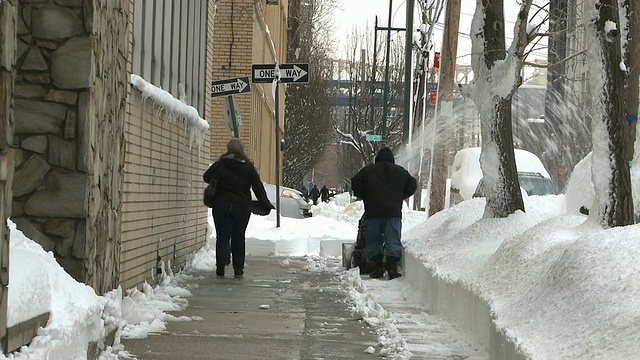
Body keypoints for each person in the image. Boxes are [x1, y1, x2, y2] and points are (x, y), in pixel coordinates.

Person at [203, 138, 274, 278]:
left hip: (221, 206)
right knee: (238, 237)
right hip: (241, 207)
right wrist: (265, 204)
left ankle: (220, 268)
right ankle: (238, 269)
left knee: (222, 236)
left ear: (228, 149)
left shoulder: (220, 165)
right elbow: (258, 187)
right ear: (242, 150)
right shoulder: (248, 167)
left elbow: (206, 177)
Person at [350, 147, 417, 279]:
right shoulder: (400, 171)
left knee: (373, 240)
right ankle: (391, 268)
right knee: (392, 239)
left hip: (373, 212)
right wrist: (400, 195)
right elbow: (412, 184)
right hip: (393, 213)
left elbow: (355, 182)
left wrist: (365, 195)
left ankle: (377, 267)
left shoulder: (368, 170)